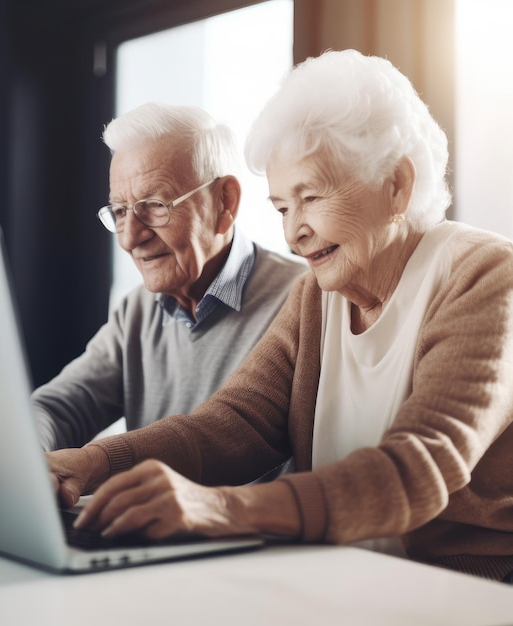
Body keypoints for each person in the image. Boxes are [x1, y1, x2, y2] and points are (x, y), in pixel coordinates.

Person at [47, 49, 513, 582]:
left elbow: (419, 467)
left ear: (397, 185)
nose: (294, 235)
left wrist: (223, 510)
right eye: (282, 209)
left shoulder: (486, 276)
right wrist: (95, 463)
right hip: (345, 582)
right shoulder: (317, 296)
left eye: (311, 197)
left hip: (469, 592)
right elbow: (236, 424)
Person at [32, 102, 305, 455]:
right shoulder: (137, 312)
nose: (130, 238)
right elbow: (58, 408)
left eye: (155, 205)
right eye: (119, 211)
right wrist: (31, 459)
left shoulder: (302, 300)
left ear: (225, 203)